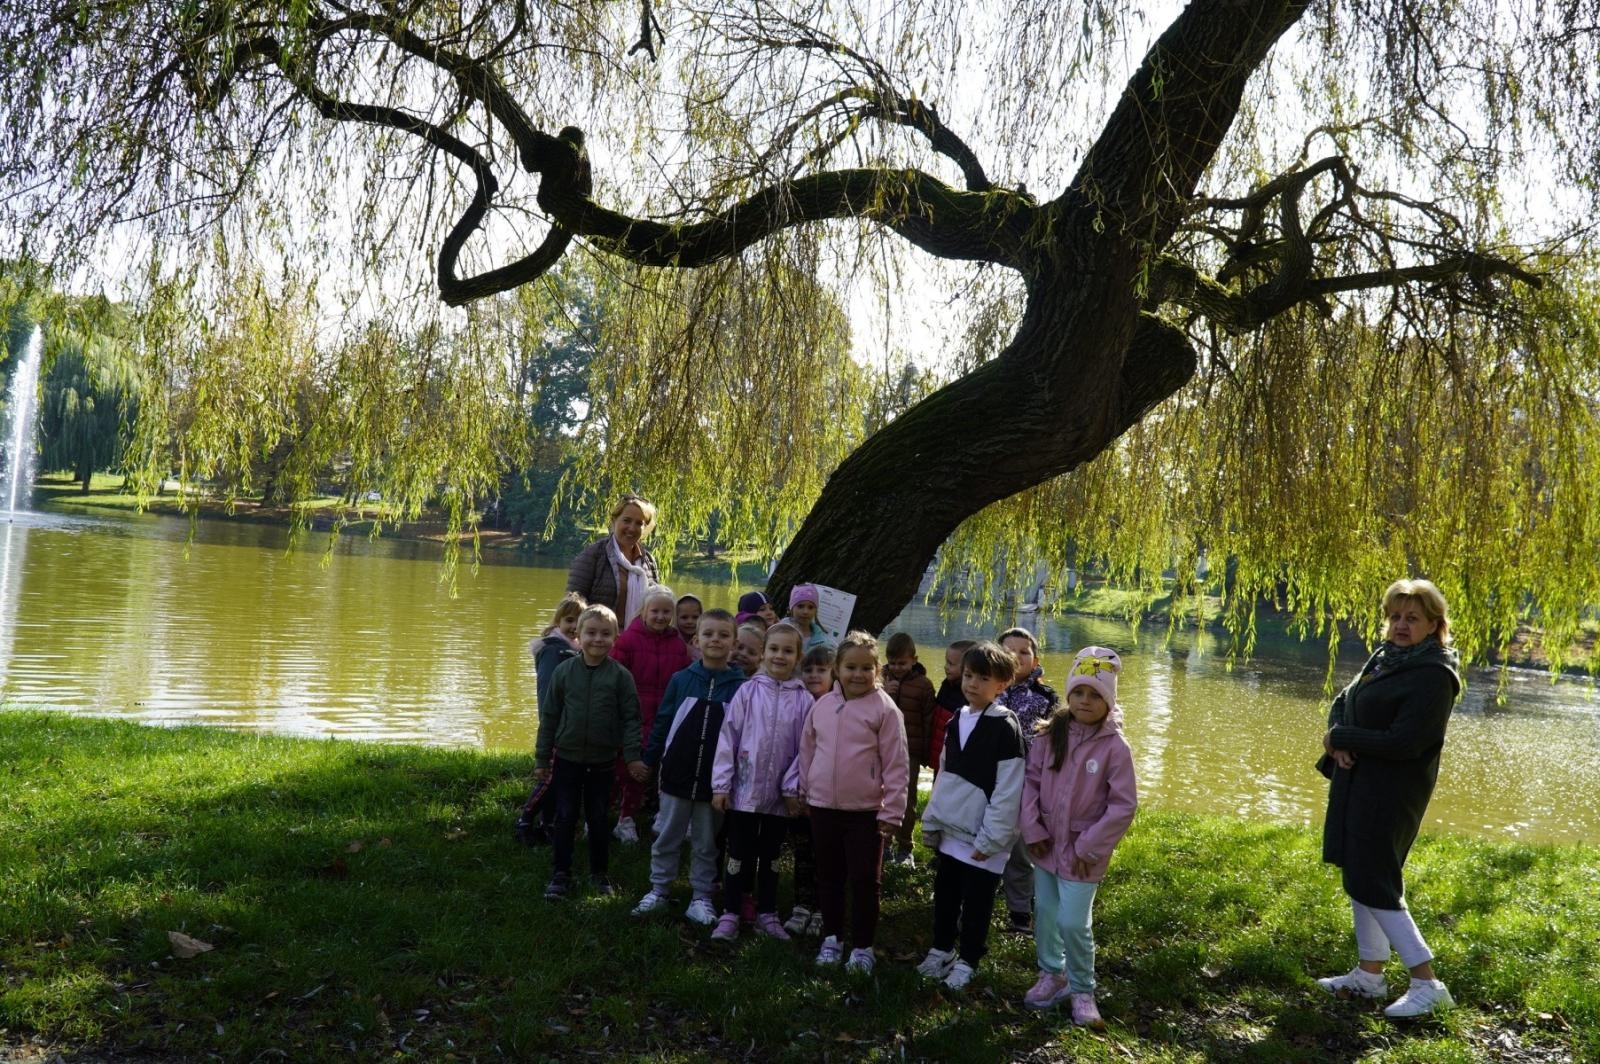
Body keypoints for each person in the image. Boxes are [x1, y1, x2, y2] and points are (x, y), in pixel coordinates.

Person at [1316, 579, 1462, 1018]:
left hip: (1392, 794)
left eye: (1412, 618)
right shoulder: (1387, 658)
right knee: (1359, 875)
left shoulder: (1435, 675)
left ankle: (1426, 981)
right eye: (1395, 616)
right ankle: (1369, 976)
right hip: (1359, 782)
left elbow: (1406, 741)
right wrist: (1338, 740)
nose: (1400, 625)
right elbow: (1346, 698)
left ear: (1435, 625)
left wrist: (1341, 736)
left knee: (1376, 880)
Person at [1020, 646, 1137, 1027]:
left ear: (1108, 700)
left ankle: (1082, 987)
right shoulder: (1048, 734)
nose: (1086, 701)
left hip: (1084, 852)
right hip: (1046, 845)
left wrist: (1089, 844)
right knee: (1047, 913)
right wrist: (1033, 829)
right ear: (1068, 695)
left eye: (1095, 694)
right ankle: (1051, 973)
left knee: (1073, 921)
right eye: (1079, 692)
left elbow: (1122, 805)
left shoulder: (1115, 748)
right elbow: (1031, 784)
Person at [916, 641, 1027, 991]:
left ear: (1002, 684)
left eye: (982, 678)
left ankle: (968, 959)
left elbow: (1009, 789)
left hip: (983, 835)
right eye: (968, 676)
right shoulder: (956, 720)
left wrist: (992, 838)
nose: (972, 684)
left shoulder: (1005, 727)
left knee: (977, 901)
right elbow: (945, 776)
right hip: (953, 829)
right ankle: (942, 948)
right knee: (946, 892)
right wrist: (933, 820)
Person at [798, 631, 909, 973]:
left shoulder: (885, 711)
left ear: (877, 670)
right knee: (828, 876)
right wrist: (805, 790)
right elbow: (808, 750)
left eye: (865, 668)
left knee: (864, 880)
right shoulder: (823, 705)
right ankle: (832, 938)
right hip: (823, 808)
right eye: (850, 667)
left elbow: (897, 764)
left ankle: (863, 946)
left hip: (865, 813)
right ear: (837, 668)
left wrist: (892, 811)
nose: (857, 675)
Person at [634, 608, 747, 925]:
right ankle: (658, 889)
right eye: (708, 634)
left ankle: (701, 896)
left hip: (715, 783)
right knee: (668, 834)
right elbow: (663, 724)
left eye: (724, 635)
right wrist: (650, 758)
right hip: (676, 775)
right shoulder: (681, 680)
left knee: (706, 841)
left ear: (734, 643)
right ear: (696, 640)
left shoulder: (741, 687)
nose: (715, 640)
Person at [709, 622, 812, 941]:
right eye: (774, 649)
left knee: (771, 856)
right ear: (764, 653)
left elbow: (805, 750)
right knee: (738, 852)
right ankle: (730, 912)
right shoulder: (748, 691)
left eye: (787, 651)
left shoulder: (804, 700)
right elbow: (729, 738)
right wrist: (721, 784)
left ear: (797, 657)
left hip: (781, 798)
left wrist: (792, 789)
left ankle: (768, 913)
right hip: (743, 790)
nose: (780, 656)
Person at [536, 604, 647, 900]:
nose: (598, 639)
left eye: (605, 634)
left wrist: (633, 755)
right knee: (566, 815)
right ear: (578, 635)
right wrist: (541, 757)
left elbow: (631, 718)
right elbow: (549, 716)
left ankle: (599, 874)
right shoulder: (563, 671)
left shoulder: (621, 677)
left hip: (603, 761)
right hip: (567, 758)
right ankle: (561, 874)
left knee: (598, 817)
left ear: (616, 637)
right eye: (591, 633)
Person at [609, 586, 692, 843]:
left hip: (663, 717)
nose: (660, 616)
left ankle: (632, 817)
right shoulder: (628, 640)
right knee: (625, 769)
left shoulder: (677, 644)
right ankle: (607, 815)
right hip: (633, 715)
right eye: (655, 611)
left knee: (651, 769)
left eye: (666, 612)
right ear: (644, 611)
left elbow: (684, 678)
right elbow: (615, 677)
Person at [996, 625, 1061, 932]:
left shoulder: (1045, 697)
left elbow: (1053, 743)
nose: (1018, 657)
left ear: (1035, 661)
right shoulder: (987, 689)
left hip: (1025, 782)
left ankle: (1020, 913)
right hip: (989, 779)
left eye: (1025, 652)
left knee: (1021, 851)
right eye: (1010, 651)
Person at [516, 592, 586, 845]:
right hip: (556, 725)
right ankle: (525, 819)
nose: (574, 626)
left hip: (572, 725)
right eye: (569, 620)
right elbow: (547, 692)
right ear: (557, 621)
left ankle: (548, 824)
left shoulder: (578, 651)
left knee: (561, 778)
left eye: (580, 621)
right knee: (551, 778)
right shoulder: (553, 651)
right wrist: (552, 723)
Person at [784, 643, 836, 936]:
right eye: (809, 670)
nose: (814, 675)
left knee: (826, 855)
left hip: (828, 796)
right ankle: (802, 904)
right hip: (801, 792)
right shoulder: (799, 701)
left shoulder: (838, 705)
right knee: (804, 852)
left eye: (822, 670)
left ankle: (822, 909)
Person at [882, 632, 938, 865]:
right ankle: (883, 842)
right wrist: (887, 693)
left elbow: (929, 720)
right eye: (893, 663)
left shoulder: (924, 685)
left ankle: (905, 846)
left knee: (908, 799)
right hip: (883, 749)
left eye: (902, 663)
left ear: (914, 660)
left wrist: (925, 751)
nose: (897, 668)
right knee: (882, 795)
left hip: (911, 751)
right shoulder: (881, 679)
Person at [565, 494, 661, 626]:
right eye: (627, 520)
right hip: (600, 641)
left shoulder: (649, 562)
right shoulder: (593, 555)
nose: (632, 528)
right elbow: (571, 606)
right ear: (614, 520)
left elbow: (657, 606)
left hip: (639, 642)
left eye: (639, 523)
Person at [930, 638, 977, 780]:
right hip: (939, 748)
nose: (945, 667)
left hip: (953, 752)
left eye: (950, 664)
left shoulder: (968, 693)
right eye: (946, 662)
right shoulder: (946, 684)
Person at [787, 584, 834, 650]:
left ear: (816, 610)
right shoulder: (777, 633)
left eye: (810, 607)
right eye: (800, 606)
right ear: (791, 608)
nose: (805, 612)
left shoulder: (824, 643)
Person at [675, 594, 703, 659]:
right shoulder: (670, 641)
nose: (690, 621)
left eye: (695, 617)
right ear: (676, 618)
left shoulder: (706, 641)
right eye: (684, 617)